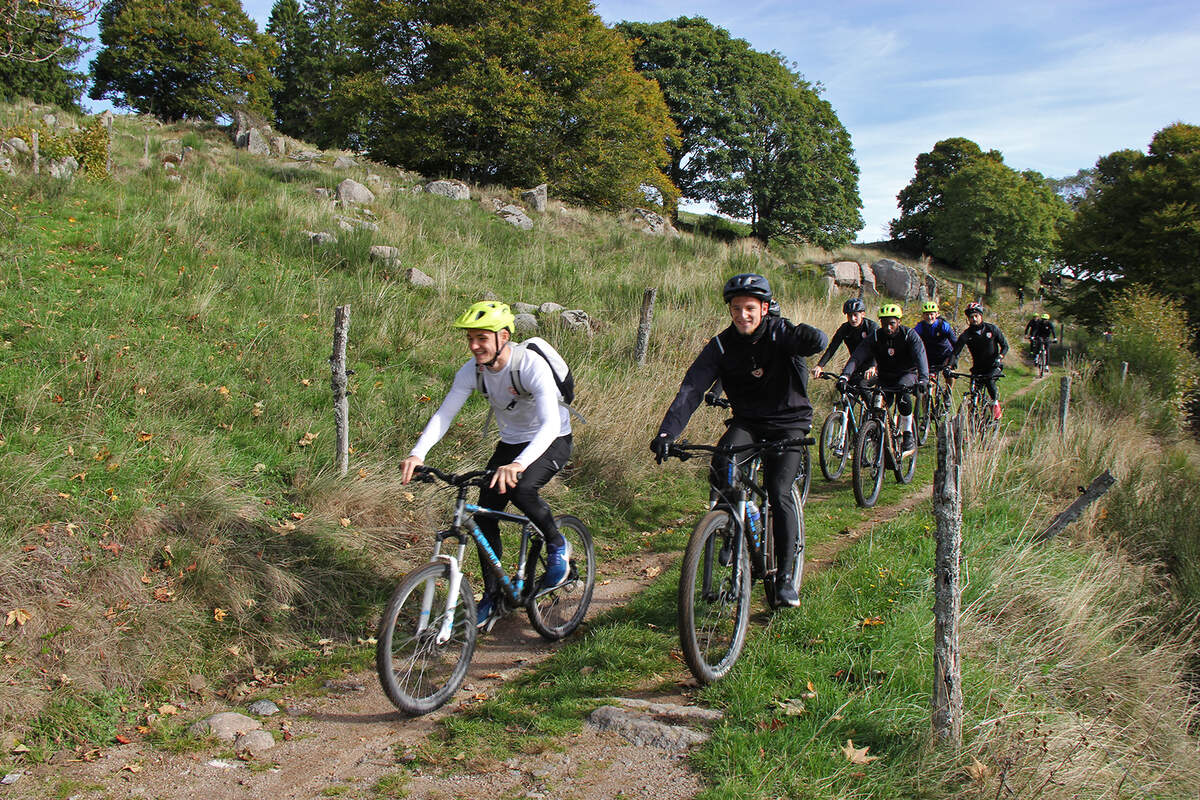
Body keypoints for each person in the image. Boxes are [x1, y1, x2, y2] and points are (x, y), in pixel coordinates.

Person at [650, 274, 827, 607]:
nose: (742, 315)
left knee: (778, 489)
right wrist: (667, 432)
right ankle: (730, 522)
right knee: (722, 461)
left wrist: (813, 337)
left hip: (789, 424)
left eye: (749, 308)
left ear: (763, 308)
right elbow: (691, 389)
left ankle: (786, 578)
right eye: (735, 308)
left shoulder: (779, 332)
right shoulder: (721, 345)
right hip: (748, 422)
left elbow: (810, 341)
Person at [400, 301, 573, 628]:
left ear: (503, 337)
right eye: (470, 339)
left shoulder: (529, 366)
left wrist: (519, 465)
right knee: (484, 514)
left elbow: (550, 424)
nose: (474, 345)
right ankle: (493, 597)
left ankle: (557, 544)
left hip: (552, 439)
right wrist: (417, 453)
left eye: (482, 338)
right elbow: (444, 415)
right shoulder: (472, 371)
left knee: (522, 489)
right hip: (511, 443)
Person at [838, 303, 929, 457]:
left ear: (899, 322)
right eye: (884, 323)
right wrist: (845, 375)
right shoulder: (875, 336)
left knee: (902, 391)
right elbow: (857, 356)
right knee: (876, 408)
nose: (888, 327)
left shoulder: (909, 335)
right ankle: (877, 438)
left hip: (906, 374)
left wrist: (923, 380)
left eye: (892, 323)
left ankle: (907, 433)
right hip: (885, 376)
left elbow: (921, 357)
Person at [950, 302, 1009, 420]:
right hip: (977, 368)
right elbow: (956, 352)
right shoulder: (966, 335)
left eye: (976, 316)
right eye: (971, 317)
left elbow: (1005, 346)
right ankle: (972, 422)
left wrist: (999, 357)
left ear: (981, 316)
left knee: (990, 383)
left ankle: (995, 404)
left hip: (993, 366)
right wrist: (951, 364)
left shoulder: (992, 329)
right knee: (974, 393)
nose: (974, 319)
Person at [811, 297, 878, 390]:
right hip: (856, 365)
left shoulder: (871, 327)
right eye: (849, 316)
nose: (853, 319)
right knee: (845, 389)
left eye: (855, 315)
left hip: (875, 365)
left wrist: (873, 366)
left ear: (863, 314)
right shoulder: (845, 329)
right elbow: (832, 348)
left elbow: (878, 349)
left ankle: (873, 405)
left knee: (862, 385)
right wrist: (820, 366)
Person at [913, 300, 957, 388]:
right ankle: (927, 399)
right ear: (923, 315)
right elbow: (913, 342)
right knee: (928, 384)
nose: (929, 317)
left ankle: (948, 393)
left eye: (932, 314)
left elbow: (956, 344)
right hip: (930, 357)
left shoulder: (944, 326)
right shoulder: (920, 327)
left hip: (945, 355)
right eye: (926, 314)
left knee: (949, 374)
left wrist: (953, 360)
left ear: (936, 314)